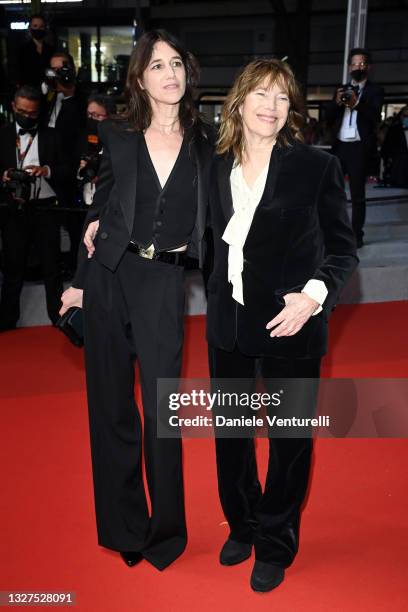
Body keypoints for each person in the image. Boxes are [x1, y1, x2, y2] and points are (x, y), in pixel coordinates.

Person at [59, 30, 214, 570]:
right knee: (111, 407)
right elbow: (97, 211)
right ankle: (125, 528)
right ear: (140, 78)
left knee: (161, 411)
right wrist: (79, 281)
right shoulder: (119, 135)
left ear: (187, 73)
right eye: (156, 66)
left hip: (164, 280)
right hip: (108, 275)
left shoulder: (205, 140)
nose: (169, 74)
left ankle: (166, 533)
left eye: (176, 63)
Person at [207, 59, 358, 592]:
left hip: (291, 322)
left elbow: (343, 249)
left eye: (281, 97)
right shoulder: (214, 163)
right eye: (261, 95)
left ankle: (275, 541)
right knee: (231, 434)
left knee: (288, 441)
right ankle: (244, 524)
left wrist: (313, 297)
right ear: (239, 102)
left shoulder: (313, 166)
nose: (271, 107)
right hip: (227, 324)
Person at [0, 86, 68, 331]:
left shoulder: (52, 136)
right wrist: (5, 175)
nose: (26, 116)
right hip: (13, 209)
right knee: (12, 267)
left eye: (31, 113)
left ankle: (57, 318)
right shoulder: (3, 135)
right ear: (13, 108)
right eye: (21, 111)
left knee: (52, 266)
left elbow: (67, 169)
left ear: (38, 112)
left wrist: (46, 170)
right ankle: (7, 321)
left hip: (46, 209)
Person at [325, 48, 384, 248]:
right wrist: (336, 102)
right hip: (340, 146)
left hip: (359, 148)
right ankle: (334, 233)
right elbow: (328, 118)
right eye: (355, 63)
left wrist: (356, 103)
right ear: (349, 67)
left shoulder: (375, 91)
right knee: (332, 193)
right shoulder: (341, 89)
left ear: (368, 67)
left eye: (362, 63)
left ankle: (356, 235)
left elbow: (375, 116)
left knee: (357, 195)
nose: (358, 66)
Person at [43, 52, 87, 273]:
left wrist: (69, 92)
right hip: (48, 166)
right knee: (52, 220)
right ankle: (53, 262)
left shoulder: (79, 97)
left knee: (74, 222)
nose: (58, 74)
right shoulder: (49, 95)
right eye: (53, 69)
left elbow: (77, 126)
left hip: (69, 167)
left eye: (62, 69)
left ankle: (75, 265)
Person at [16, 14, 54, 89]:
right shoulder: (22, 49)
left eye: (41, 26)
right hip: (28, 91)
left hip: (48, 90)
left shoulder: (51, 49)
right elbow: (18, 72)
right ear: (30, 28)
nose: (38, 29)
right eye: (35, 26)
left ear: (45, 28)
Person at [380, 105, 408, 188]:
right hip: (398, 168)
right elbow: (386, 148)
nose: (407, 119)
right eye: (405, 116)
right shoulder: (394, 130)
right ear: (401, 117)